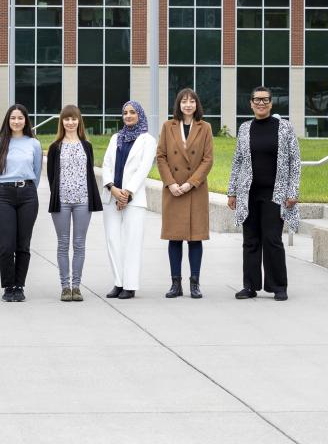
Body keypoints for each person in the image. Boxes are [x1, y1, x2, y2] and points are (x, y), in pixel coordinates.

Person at [228, 86, 300, 301]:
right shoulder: (244, 128)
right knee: (250, 240)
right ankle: (250, 286)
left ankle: (278, 286)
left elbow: (294, 161)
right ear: (250, 103)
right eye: (256, 99)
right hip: (248, 193)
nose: (261, 103)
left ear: (271, 103)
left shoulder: (285, 128)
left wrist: (293, 191)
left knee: (272, 239)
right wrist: (232, 191)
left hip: (275, 194)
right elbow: (238, 160)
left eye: (265, 99)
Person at [156, 88, 214, 299]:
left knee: (195, 238)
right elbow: (161, 156)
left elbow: (208, 160)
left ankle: (195, 283)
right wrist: (170, 183)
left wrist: (191, 183)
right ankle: (175, 284)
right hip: (173, 190)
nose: (188, 105)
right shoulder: (168, 126)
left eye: (191, 101)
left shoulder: (205, 127)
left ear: (197, 105)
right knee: (174, 238)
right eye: (184, 102)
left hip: (195, 190)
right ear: (178, 105)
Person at [101, 100, 157, 300]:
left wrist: (127, 193)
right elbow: (106, 164)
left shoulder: (147, 140)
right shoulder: (116, 137)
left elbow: (143, 169)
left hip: (134, 199)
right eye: (125, 112)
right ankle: (118, 282)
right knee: (112, 240)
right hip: (111, 196)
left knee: (132, 242)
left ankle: (130, 285)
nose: (128, 116)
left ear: (140, 115)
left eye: (133, 112)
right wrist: (113, 189)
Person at [46, 105, 102, 302]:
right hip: (61, 202)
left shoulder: (86, 146)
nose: (70, 122)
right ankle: (64, 286)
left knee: (79, 244)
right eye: (66, 119)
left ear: (79, 121)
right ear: (62, 122)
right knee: (63, 244)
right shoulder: (55, 147)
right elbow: (51, 175)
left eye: (74, 119)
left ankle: (76, 287)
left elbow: (89, 173)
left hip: (83, 201)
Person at [0, 104, 42, 302]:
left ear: (26, 121)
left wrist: (27, 189)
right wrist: (1, 191)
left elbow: (37, 173)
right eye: (13, 118)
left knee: (23, 244)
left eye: (20, 118)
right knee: (6, 244)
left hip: (27, 195)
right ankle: (8, 286)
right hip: (3, 195)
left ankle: (19, 286)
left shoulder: (33, 144)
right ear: (7, 121)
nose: (16, 121)